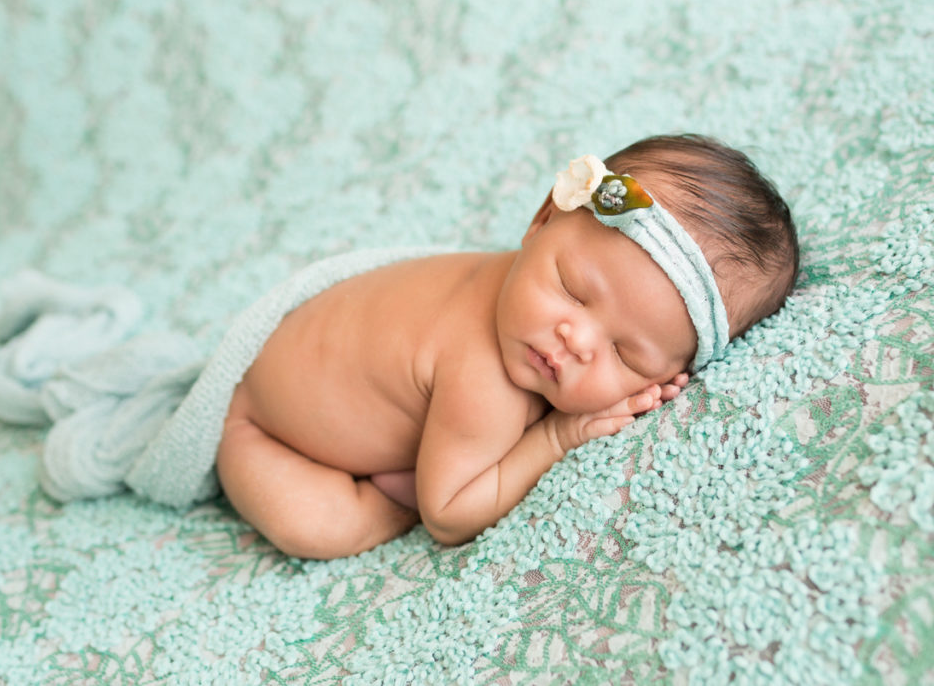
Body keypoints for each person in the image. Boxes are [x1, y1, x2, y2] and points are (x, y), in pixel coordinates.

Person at [216, 134, 800, 559]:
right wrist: (555, 435)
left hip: (310, 353)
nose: (575, 341)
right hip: (262, 431)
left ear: (668, 377)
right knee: (321, 528)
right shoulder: (483, 379)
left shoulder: (519, 286)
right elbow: (447, 516)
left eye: (627, 355)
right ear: (541, 220)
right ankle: (390, 493)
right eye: (572, 291)